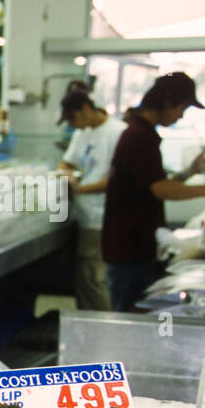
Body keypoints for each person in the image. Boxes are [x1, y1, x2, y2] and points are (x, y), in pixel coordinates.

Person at [102, 72, 205, 312]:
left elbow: (152, 184)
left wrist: (189, 172)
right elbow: (161, 190)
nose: (181, 115)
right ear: (167, 101)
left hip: (136, 246)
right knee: (131, 319)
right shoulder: (139, 137)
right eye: (182, 108)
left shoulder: (142, 134)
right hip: (130, 249)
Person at [55, 90, 126, 311]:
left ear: (86, 108)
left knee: (94, 280)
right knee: (86, 280)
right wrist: (64, 174)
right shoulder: (82, 133)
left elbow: (119, 181)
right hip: (84, 217)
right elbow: (67, 163)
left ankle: (103, 331)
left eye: (74, 118)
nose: (74, 125)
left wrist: (81, 188)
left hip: (102, 217)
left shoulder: (118, 133)